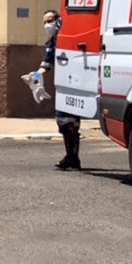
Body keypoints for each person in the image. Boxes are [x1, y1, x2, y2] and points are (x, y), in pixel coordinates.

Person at [38, 10, 82, 170]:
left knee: (72, 123)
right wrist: (35, 76)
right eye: (44, 22)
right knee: (64, 123)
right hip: (63, 86)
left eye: (50, 20)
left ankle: (72, 157)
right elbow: (46, 66)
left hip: (76, 84)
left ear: (59, 20)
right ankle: (72, 157)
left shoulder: (70, 37)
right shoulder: (52, 42)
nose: (47, 25)